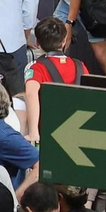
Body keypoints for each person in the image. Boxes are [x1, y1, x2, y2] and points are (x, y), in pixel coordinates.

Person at [22, 16, 87, 144]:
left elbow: (30, 94)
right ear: (64, 41)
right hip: (79, 129)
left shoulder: (36, 68)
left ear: (38, 43)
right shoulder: (80, 66)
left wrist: (33, 133)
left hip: (47, 130)